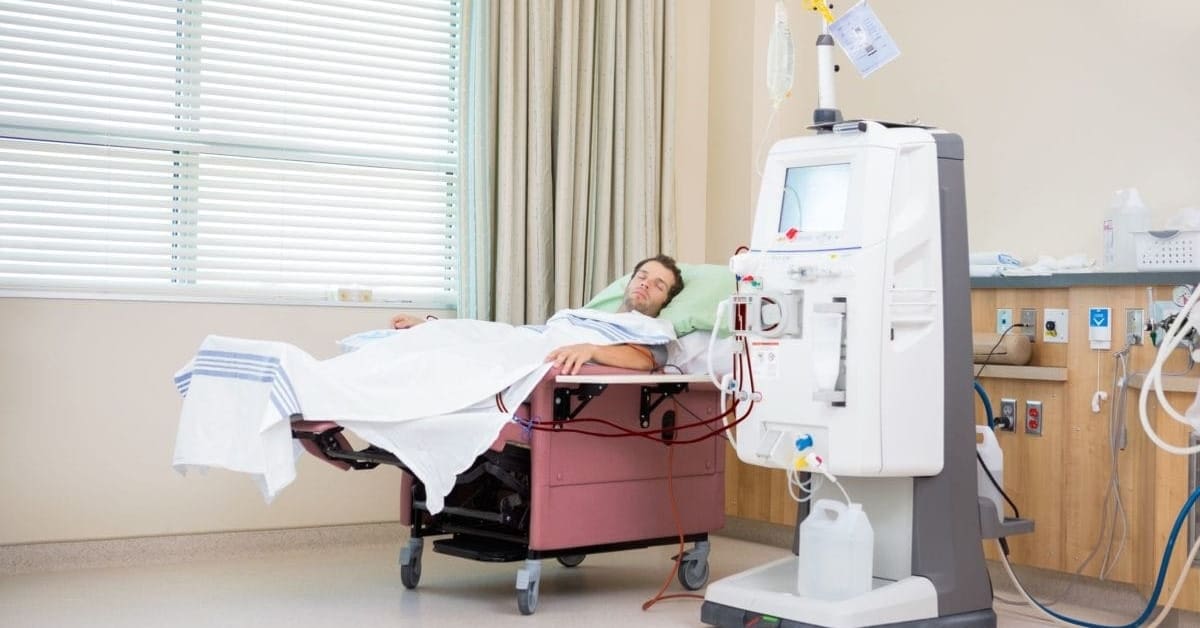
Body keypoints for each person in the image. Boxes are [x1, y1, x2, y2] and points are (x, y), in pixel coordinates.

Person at [391, 254, 685, 375]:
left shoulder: (652, 327)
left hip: (542, 354)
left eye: (659, 285)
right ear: (630, 282)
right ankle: (435, 330)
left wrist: (592, 349)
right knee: (476, 332)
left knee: (458, 358)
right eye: (642, 276)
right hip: (530, 336)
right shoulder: (593, 315)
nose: (646, 283)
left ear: (666, 299)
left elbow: (647, 359)